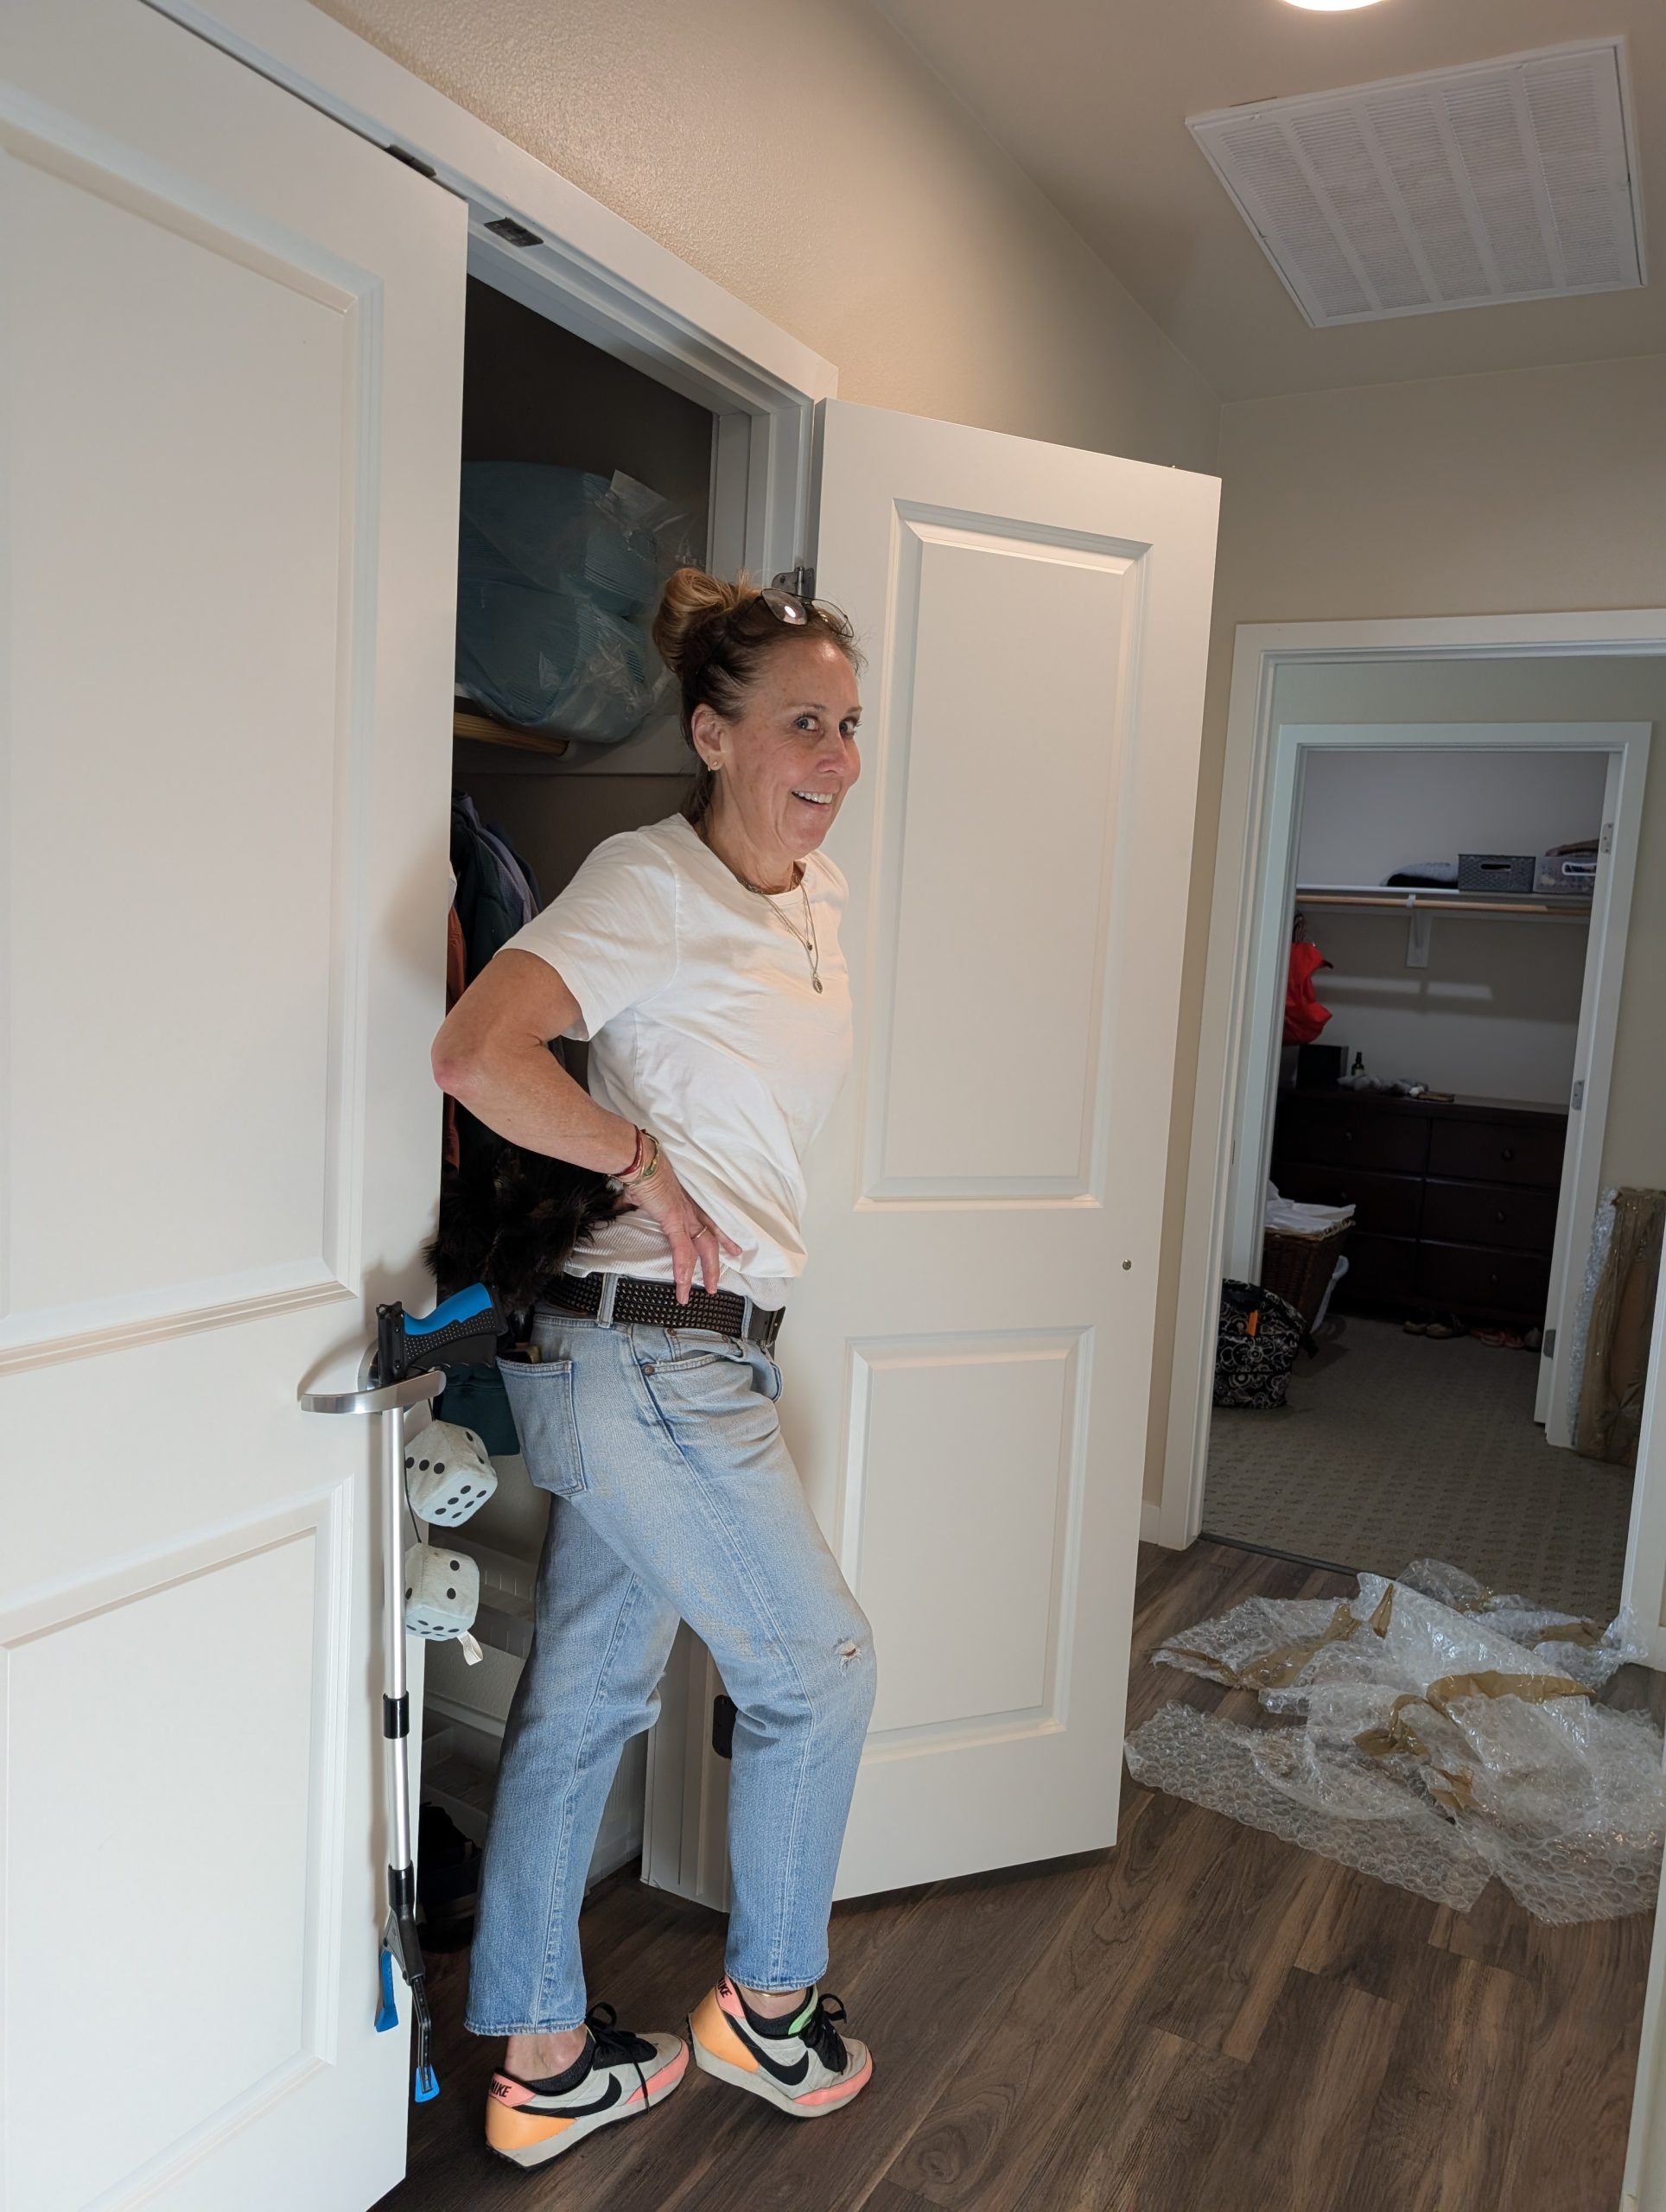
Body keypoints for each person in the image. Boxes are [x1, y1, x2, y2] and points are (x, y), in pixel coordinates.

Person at [430, 569, 878, 2171]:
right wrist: (636, 1161)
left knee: (590, 1694)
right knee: (817, 1672)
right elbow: (478, 1052)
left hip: (692, 1360)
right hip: (646, 1359)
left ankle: (546, 2056)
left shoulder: (811, 897)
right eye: (796, 723)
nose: (831, 756)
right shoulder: (649, 880)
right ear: (711, 731)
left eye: (845, 724)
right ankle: (767, 2008)